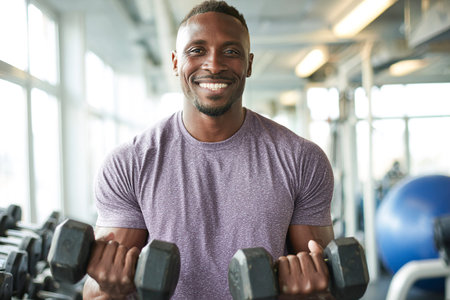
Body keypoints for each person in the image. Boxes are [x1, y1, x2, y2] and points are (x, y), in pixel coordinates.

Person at [83, 1, 335, 299]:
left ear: (249, 64)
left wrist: (310, 292)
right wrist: (110, 289)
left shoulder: (301, 159)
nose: (214, 65)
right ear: (176, 62)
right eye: (197, 50)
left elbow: (327, 285)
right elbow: (95, 292)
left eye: (231, 52)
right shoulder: (129, 163)